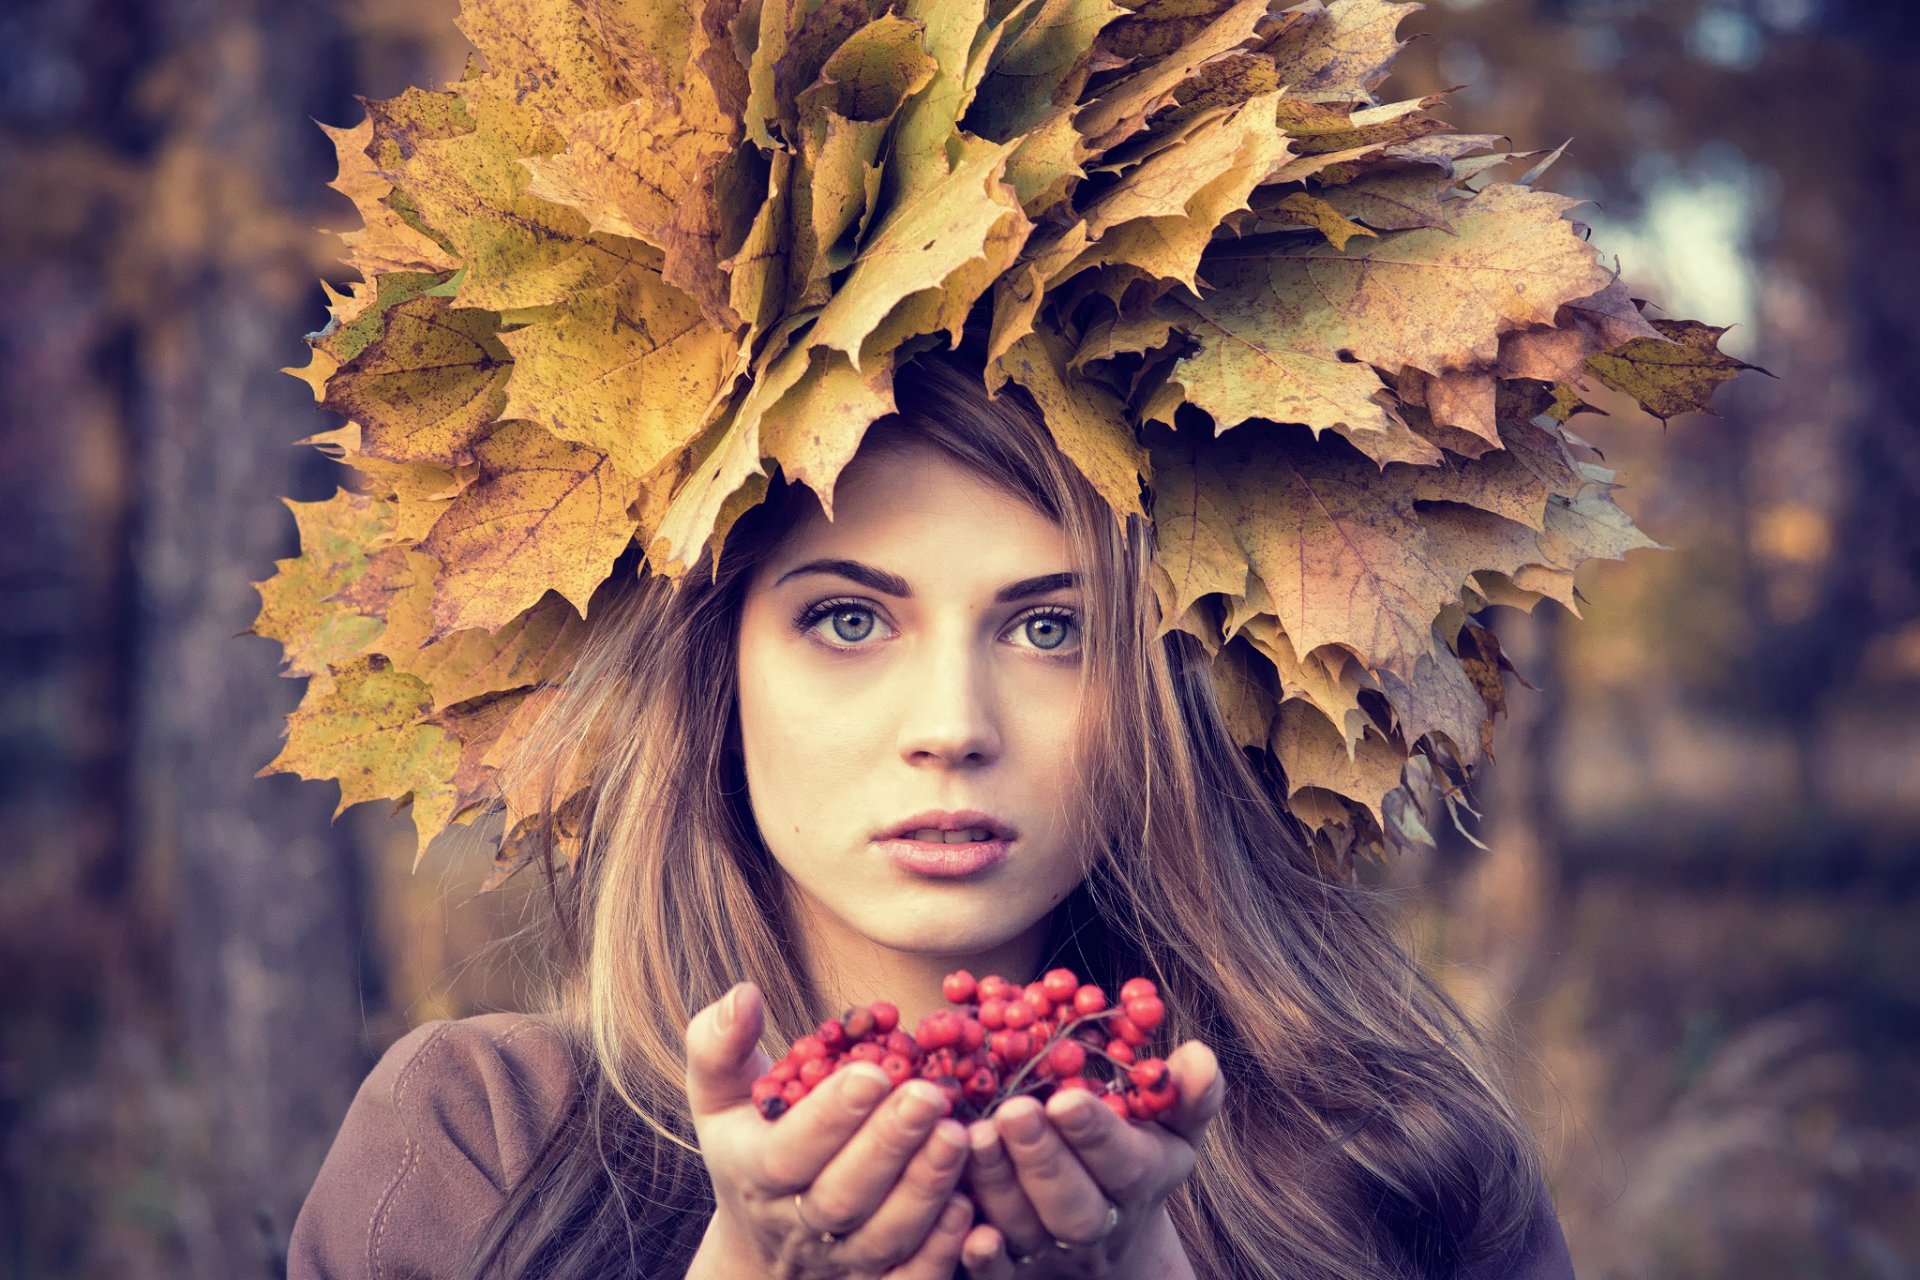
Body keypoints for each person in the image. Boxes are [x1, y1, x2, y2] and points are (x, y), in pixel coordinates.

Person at [287, 338, 1578, 1279]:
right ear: (717, 673)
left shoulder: (1393, 1161)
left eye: (1054, 628)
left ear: (1168, 687)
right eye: (848, 619)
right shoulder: (481, 1146)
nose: (953, 725)